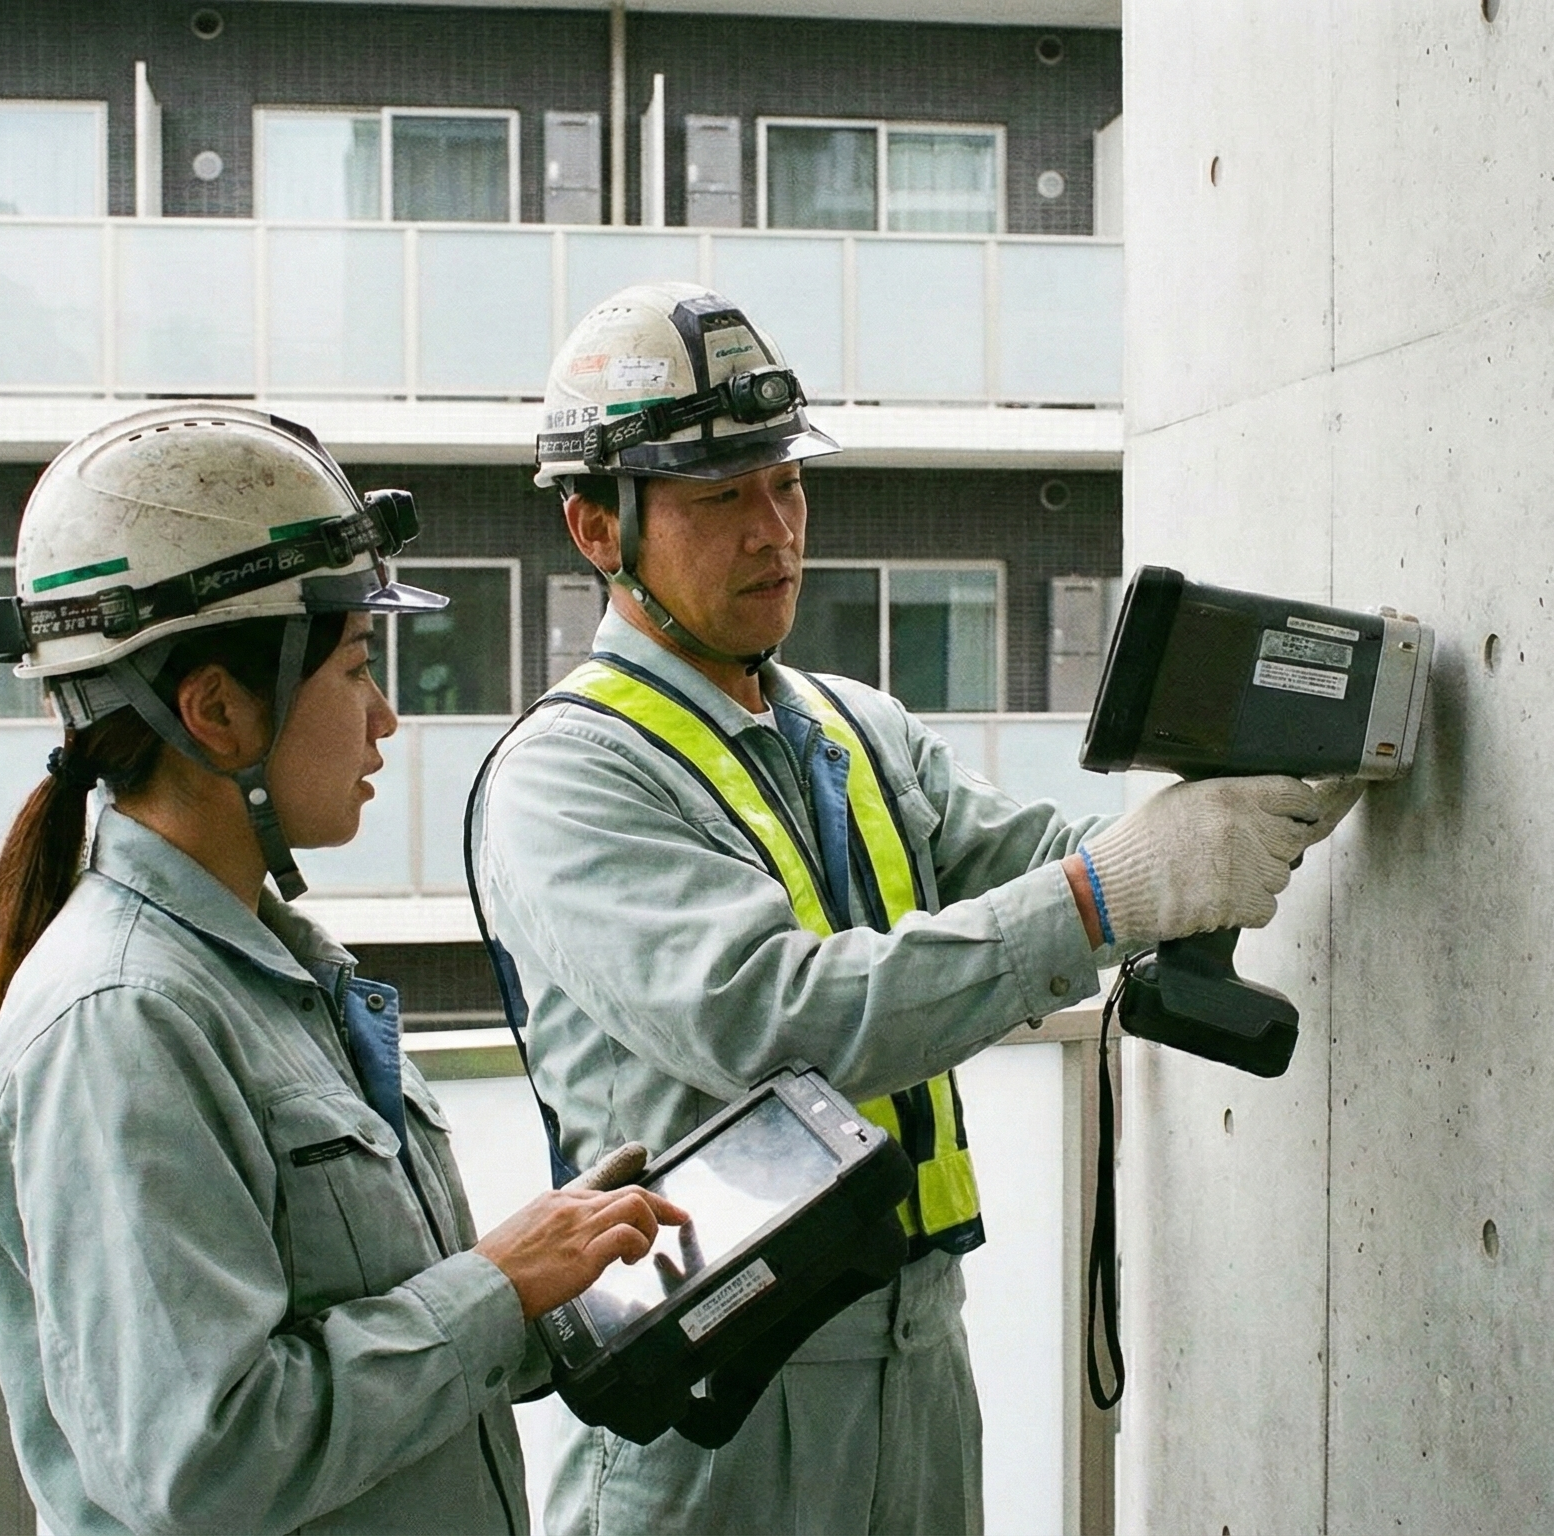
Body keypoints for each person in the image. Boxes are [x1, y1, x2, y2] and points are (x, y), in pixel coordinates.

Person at [469, 285, 1362, 1534]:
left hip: (911, 1349)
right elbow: (777, 1022)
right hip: (713, 1389)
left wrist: (1246, 803)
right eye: (718, 497)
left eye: (783, 485)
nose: (772, 530)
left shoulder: (850, 725)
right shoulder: (570, 772)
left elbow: (1041, 862)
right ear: (594, 527)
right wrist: (1113, 890)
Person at [0, 404, 684, 1536]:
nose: (385, 717)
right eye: (353, 667)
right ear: (219, 710)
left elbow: (377, 1349)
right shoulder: (121, 1022)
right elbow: (206, 1460)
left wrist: (556, 1271)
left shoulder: (267, 976)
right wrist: (495, 1287)